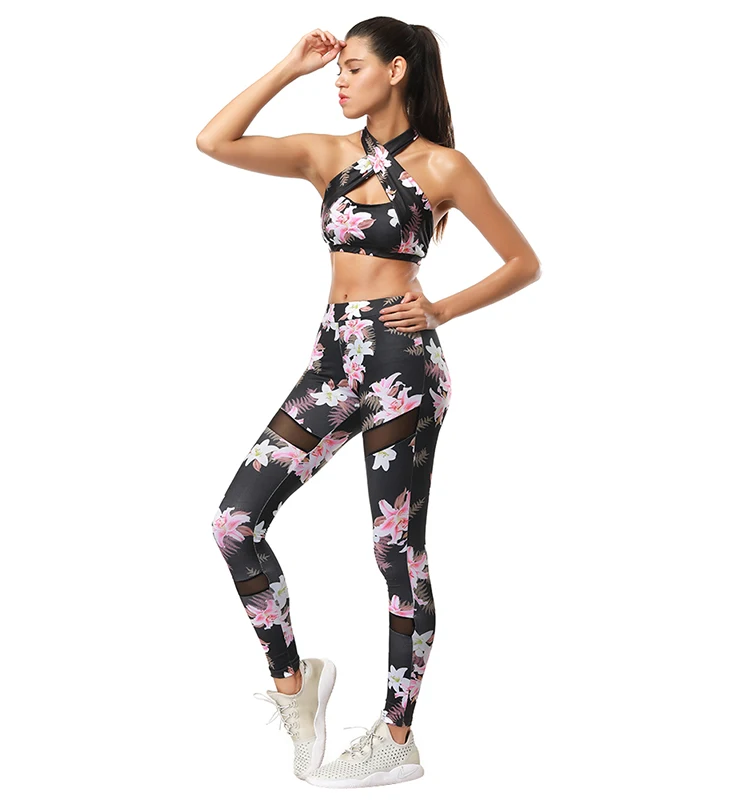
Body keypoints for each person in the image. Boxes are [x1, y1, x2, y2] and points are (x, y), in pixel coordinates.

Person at [196, 16, 541, 788]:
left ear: (396, 70)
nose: (339, 78)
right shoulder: (327, 155)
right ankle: (296, 684)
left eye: (353, 66)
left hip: (401, 366)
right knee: (234, 523)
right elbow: (213, 141)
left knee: (395, 551)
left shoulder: (444, 166)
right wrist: (287, 66)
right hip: (331, 360)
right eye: (336, 68)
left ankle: (397, 735)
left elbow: (523, 261)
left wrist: (442, 308)